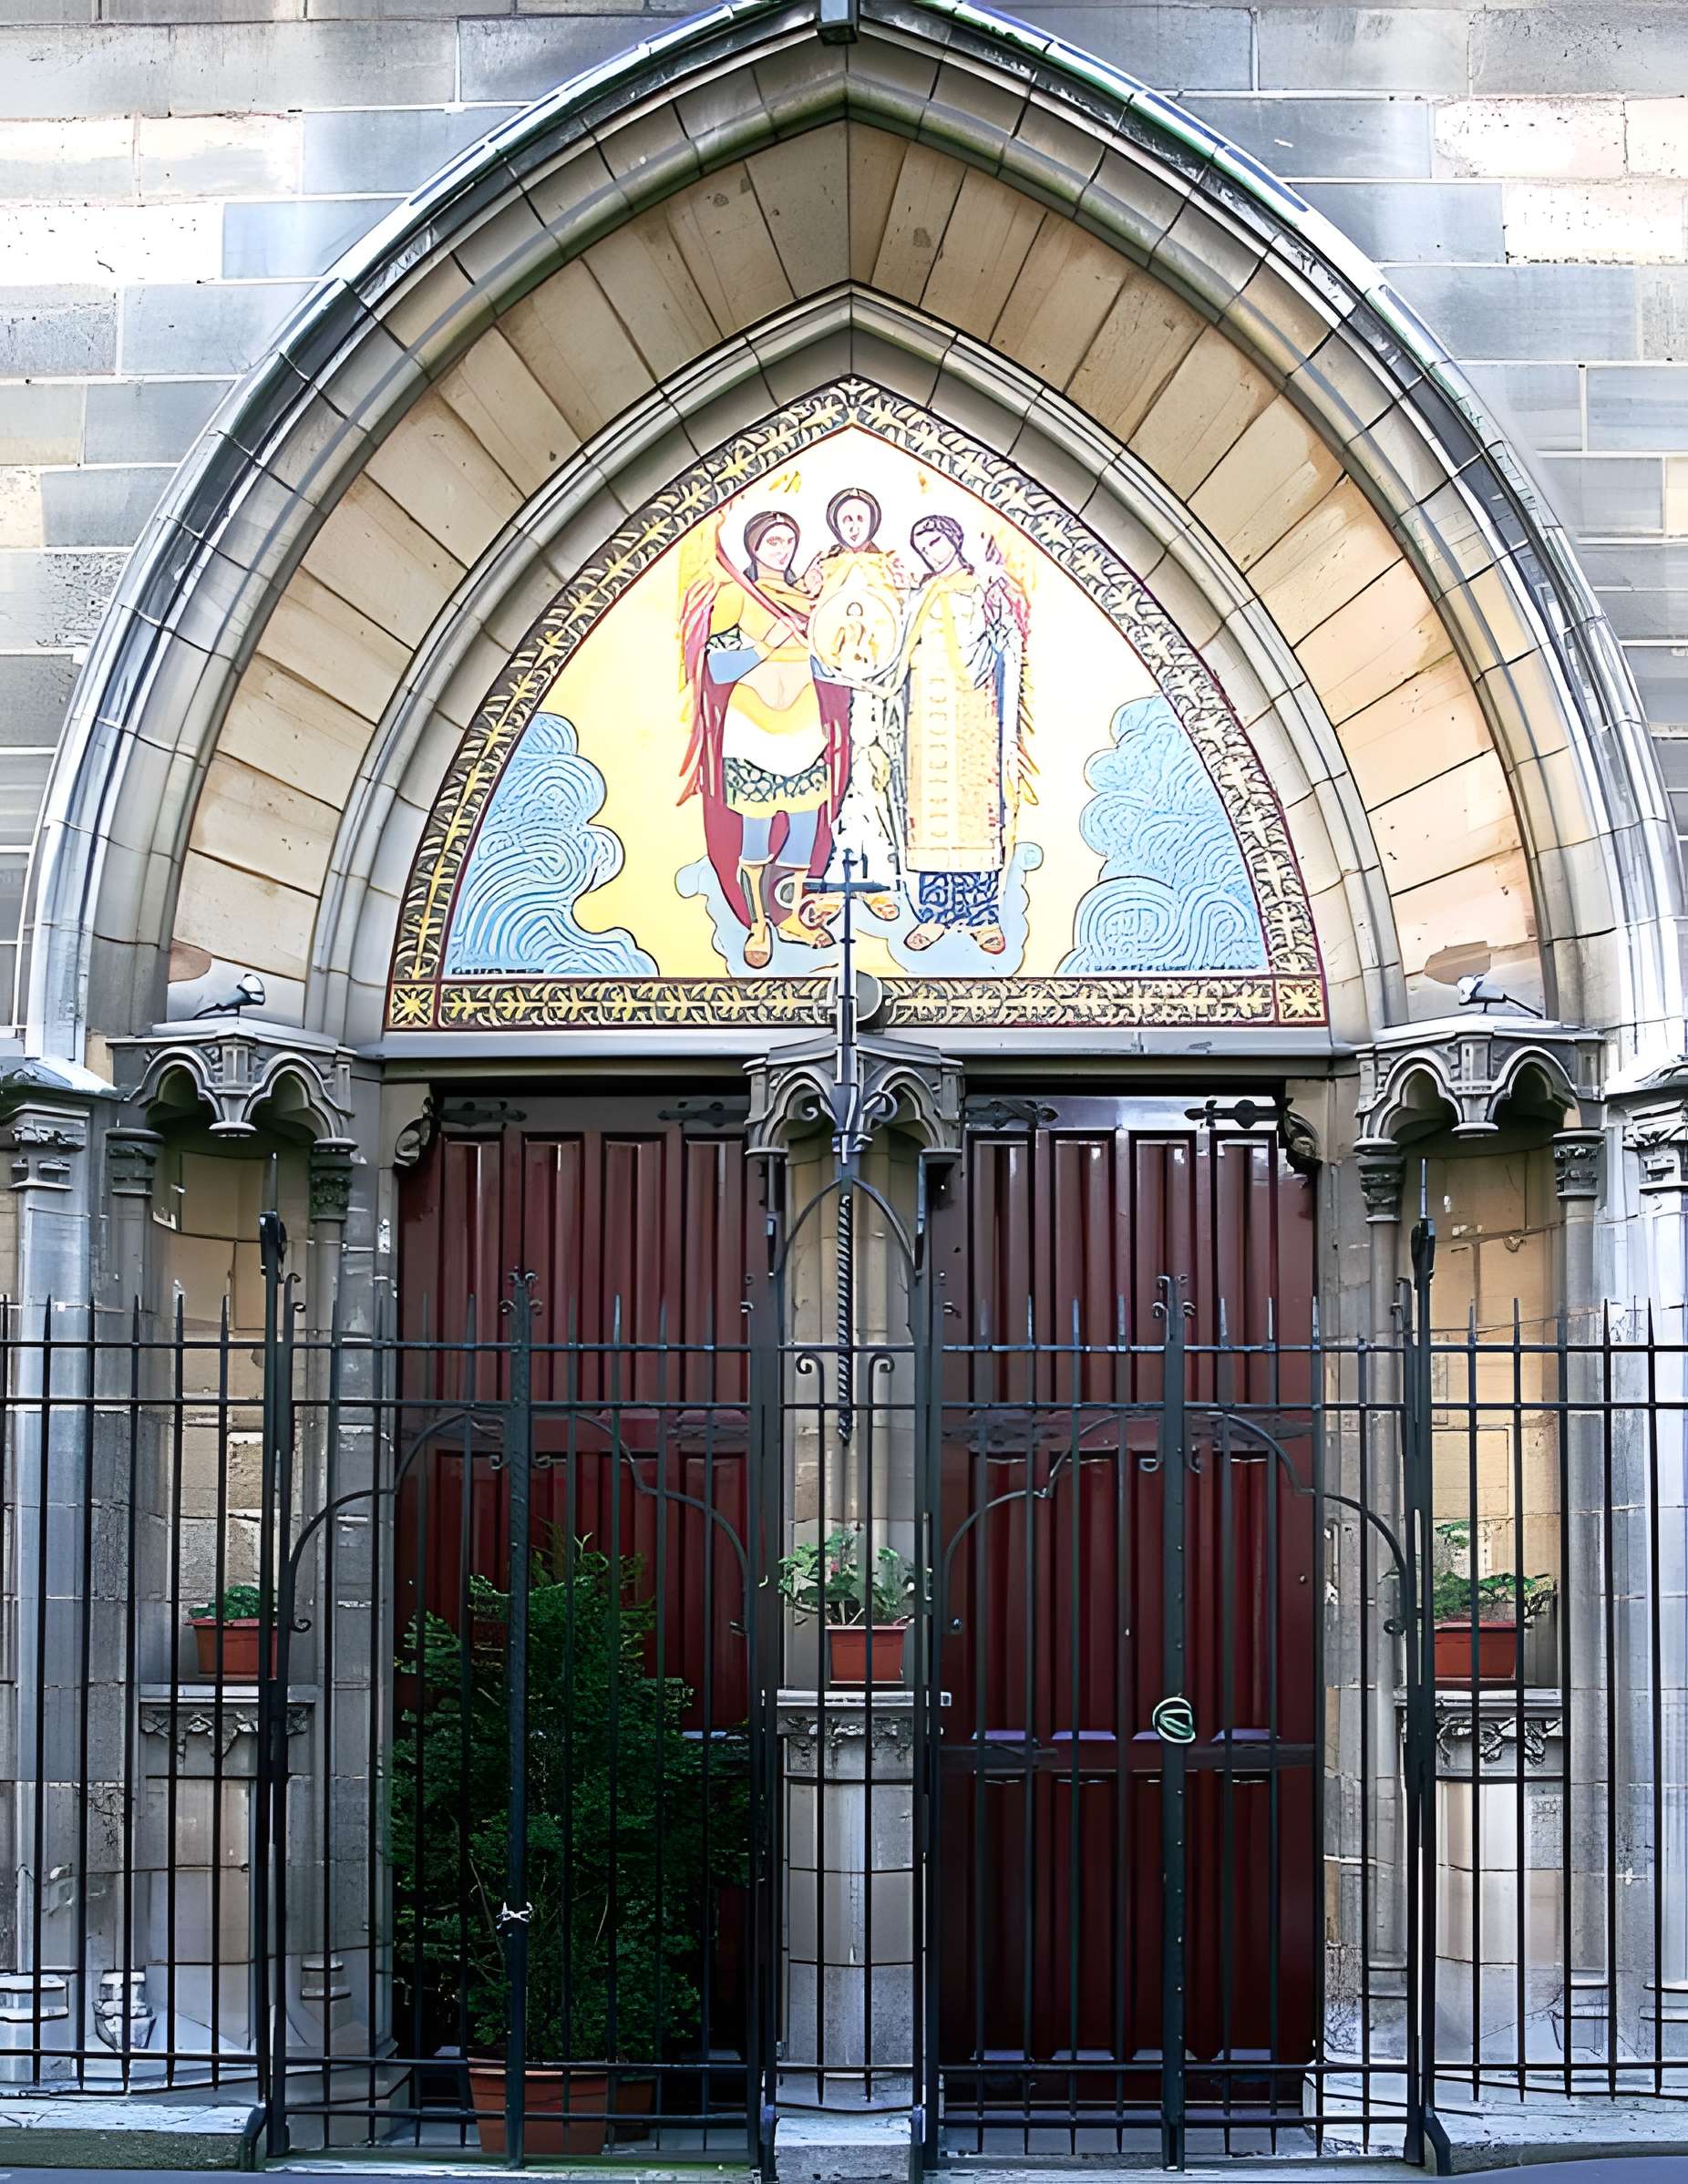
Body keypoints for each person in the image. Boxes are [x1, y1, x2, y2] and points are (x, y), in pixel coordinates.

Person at [679, 510, 849, 968]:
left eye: (786, 541)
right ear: (753, 547)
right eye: (771, 542)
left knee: (804, 826)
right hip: (753, 727)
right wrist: (764, 645)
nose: (780, 550)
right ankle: (757, 923)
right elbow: (715, 669)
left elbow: (826, 661)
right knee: (755, 831)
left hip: (804, 726)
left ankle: (789, 916)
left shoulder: (805, 600)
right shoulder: (738, 596)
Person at [895, 514, 1032, 955]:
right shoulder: (921, 594)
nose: (932, 551)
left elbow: (1007, 640)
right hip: (927, 716)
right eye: (925, 545)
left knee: (974, 811)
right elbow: (896, 652)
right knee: (932, 815)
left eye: (937, 541)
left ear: (954, 541)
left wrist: (999, 606)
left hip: (974, 714)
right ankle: (934, 914)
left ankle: (980, 916)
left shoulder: (982, 588)